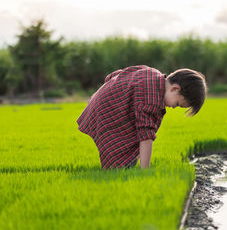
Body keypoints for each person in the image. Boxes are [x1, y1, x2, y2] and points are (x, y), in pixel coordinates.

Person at [77, 65, 207, 169]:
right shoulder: (152, 100)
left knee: (131, 150)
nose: (173, 108)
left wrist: (99, 95)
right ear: (174, 89)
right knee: (120, 166)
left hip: (99, 100)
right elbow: (145, 135)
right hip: (108, 114)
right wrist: (145, 170)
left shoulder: (152, 72)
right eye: (178, 104)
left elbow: (117, 74)